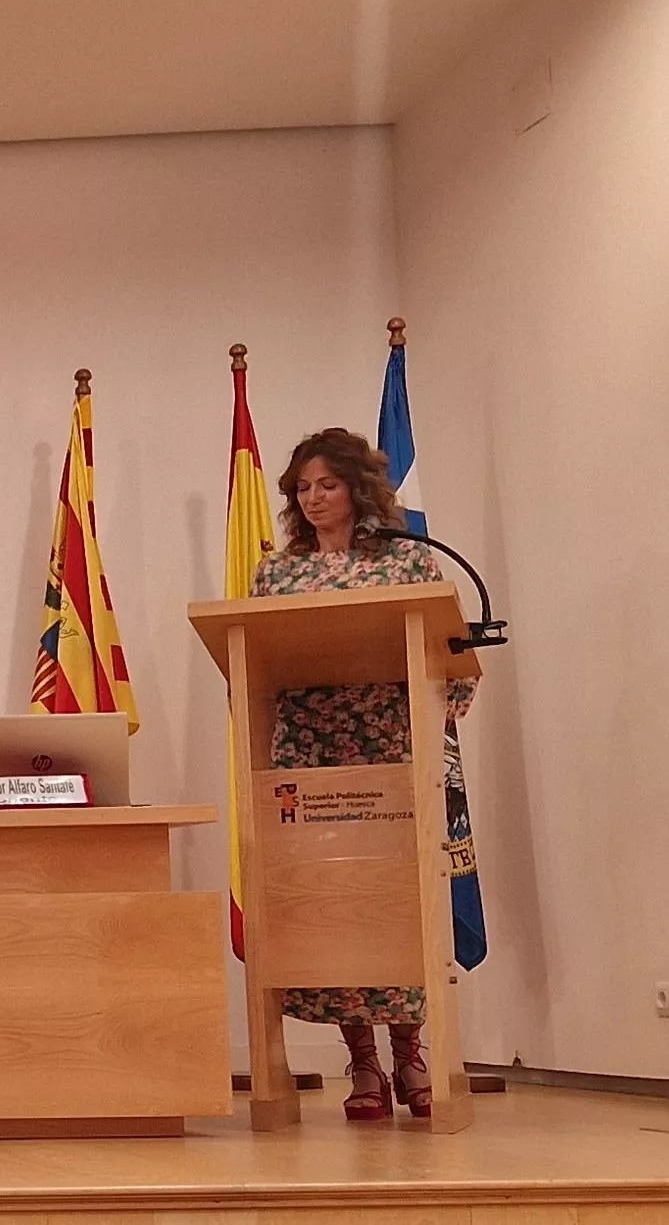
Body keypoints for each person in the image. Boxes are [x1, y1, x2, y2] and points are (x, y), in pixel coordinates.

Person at [256, 427, 476, 1121]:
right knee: (334, 903)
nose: (313, 497)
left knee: (393, 900)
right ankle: (363, 1062)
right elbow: (252, 662)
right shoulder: (277, 575)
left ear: (356, 486)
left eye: (326, 483)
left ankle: (410, 1053)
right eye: (302, 486)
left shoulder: (407, 564)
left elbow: (452, 660)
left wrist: (440, 707)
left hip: (389, 748)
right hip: (310, 757)